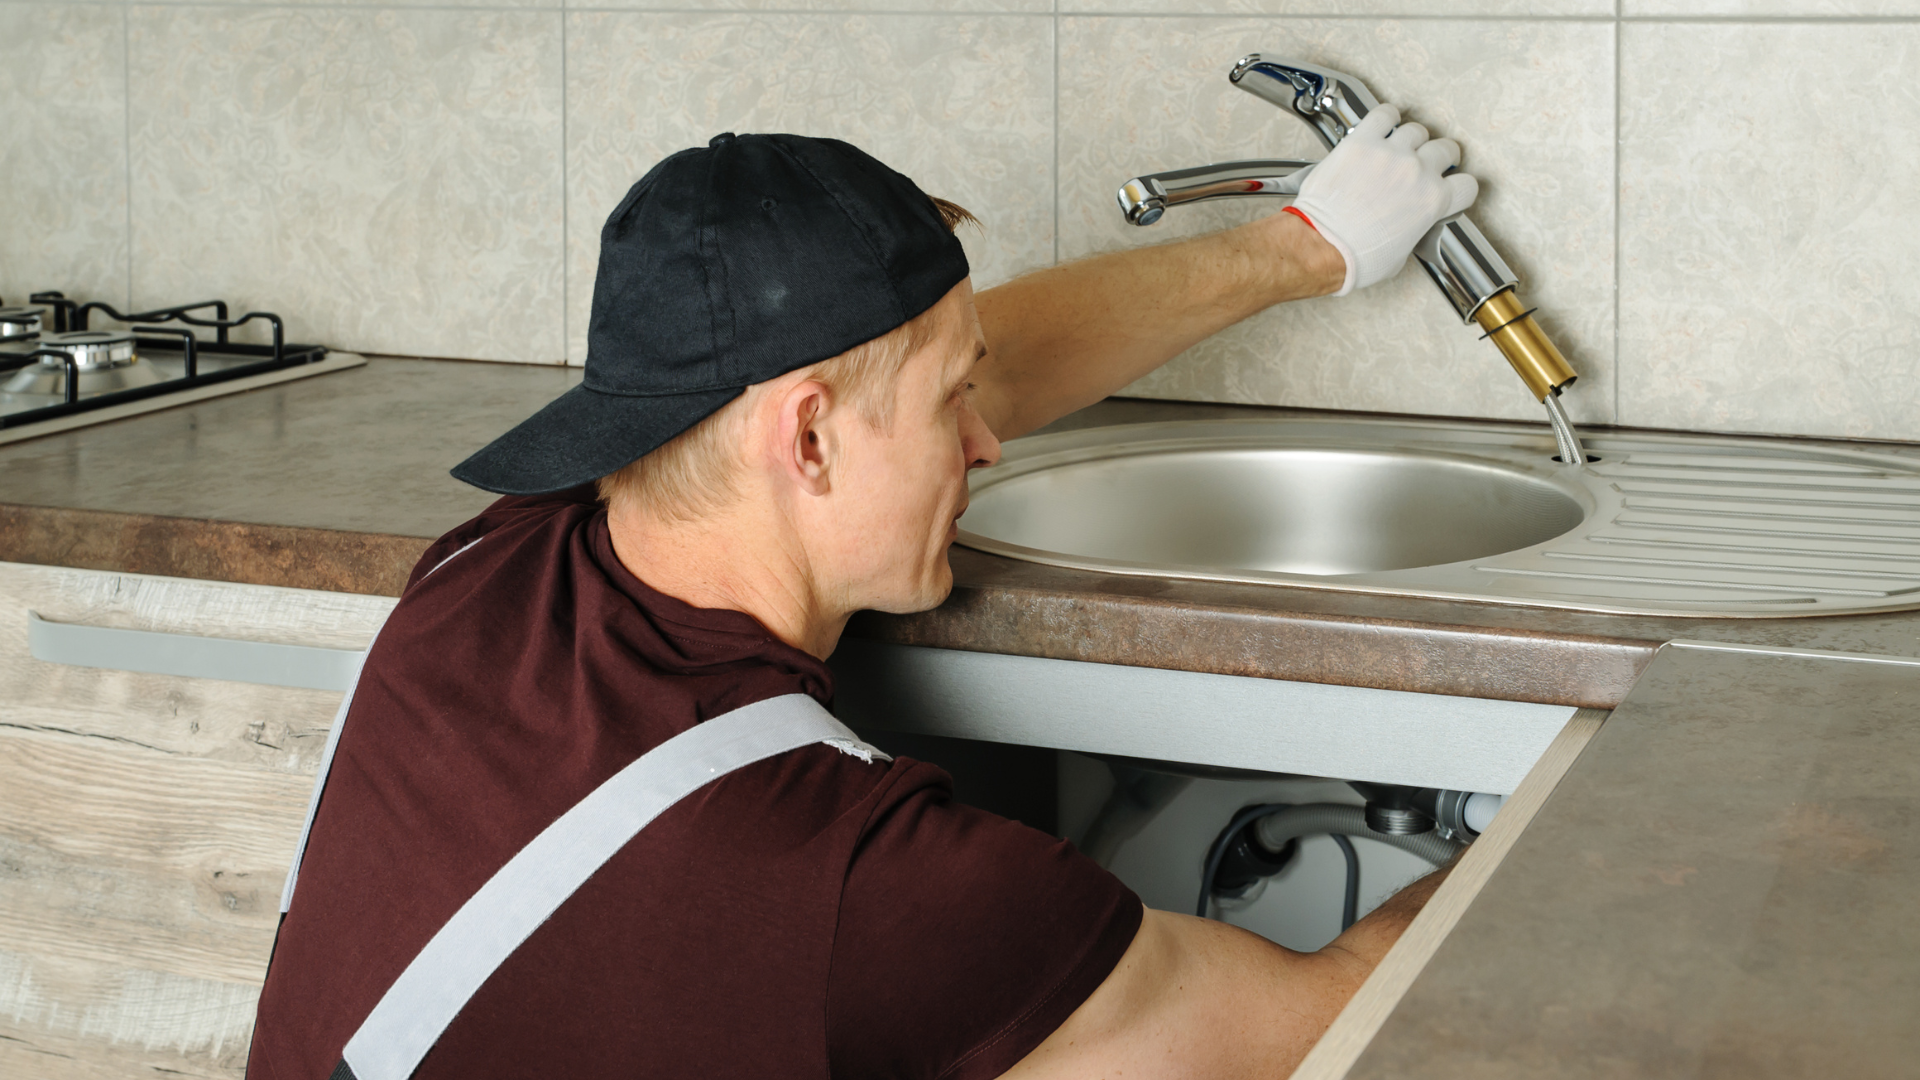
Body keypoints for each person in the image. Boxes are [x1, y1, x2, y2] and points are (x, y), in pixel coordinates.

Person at [250, 107, 1478, 1080]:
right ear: (809, 442)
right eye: (957, 404)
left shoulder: (489, 566)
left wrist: (1299, 249)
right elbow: (1324, 1031)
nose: (987, 443)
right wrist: (1507, 833)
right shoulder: (866, 885)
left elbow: (949, 358)